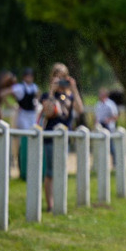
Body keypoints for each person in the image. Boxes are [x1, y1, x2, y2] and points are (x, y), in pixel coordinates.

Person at [40, 63, 83, 212]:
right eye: (56, 75)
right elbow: (48, 111)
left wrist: (74, 88)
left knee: (62, 170)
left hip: (65, 137)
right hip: (51, 138)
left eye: (63, 76)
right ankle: (50, 205)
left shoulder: (70, 95)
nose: (60, 79)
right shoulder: (47, 95)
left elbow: (80, 109)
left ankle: (60, 202)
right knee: (51, 172)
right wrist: (52, 91)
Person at [8, 68, 40, 180]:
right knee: (24, 139)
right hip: (23, 115)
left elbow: (37, 97)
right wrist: (11, 105)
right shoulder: (19, 88)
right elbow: (7, 93)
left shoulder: (34, 87)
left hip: (32, 115)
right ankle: (21, 164)